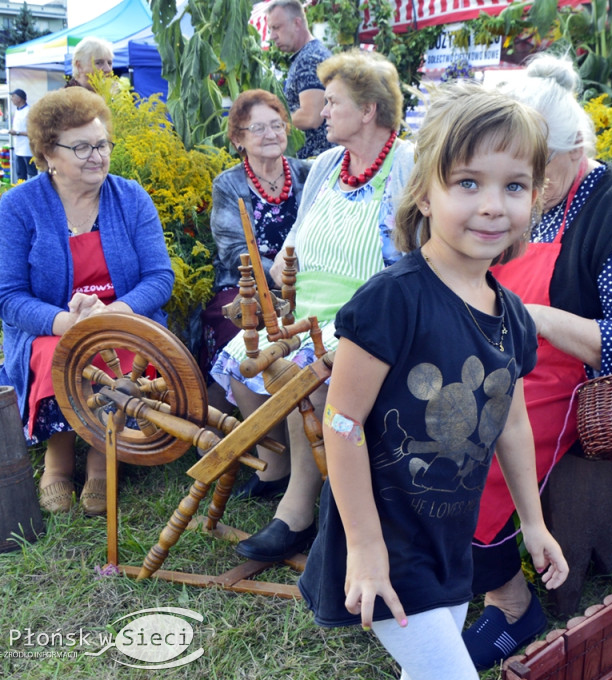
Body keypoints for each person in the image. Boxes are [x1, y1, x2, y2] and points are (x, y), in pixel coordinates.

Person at [298, 79, 569, 680]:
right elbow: (342, 426)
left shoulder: (514, 318)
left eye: (513, 186)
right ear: (424, 195)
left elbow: (513, 425)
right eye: (468, 183)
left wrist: (533, 522)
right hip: (388, 540)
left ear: (535, 198)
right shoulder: (392, 302)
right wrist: (367, 548)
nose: (493, 204)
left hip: (452, 540)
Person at [463, 54, 612, 669]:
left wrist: (542, 319)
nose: (522, 185)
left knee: (469, 441)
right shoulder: (525, 196)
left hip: (568, 383)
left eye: (535, 169)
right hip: (496, 356)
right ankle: (448, 578)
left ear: (575, 144)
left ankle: (509, 602)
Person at [210, 50, 413, 560]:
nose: (322, 112)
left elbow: (414, 256)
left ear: (368, 110)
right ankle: (284, 468)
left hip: (366, 316)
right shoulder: (325, 164)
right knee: (238, 361)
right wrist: (275, 278)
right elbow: (298, 238)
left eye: (334, 103)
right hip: (305, 307)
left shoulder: (406, 164)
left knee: (309, 378)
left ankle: (298, 511)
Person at [0, 87, 174, 515]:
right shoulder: (19, 207)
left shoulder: (131, 199)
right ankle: (57, 461)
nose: (97, 156)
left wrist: (113, 314)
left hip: (122, 319)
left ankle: (103, 458)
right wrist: (64, 323)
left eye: (102, 144)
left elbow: (159, 278)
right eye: (82, 147)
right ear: (48, 154)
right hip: (54, 325)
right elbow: (9, 297)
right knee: (61, 355)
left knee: (125, 353)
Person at [203, 89, 312, 499]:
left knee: (294, 338)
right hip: (245, 283)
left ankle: (289, 456)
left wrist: (299, 280)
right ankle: (274, 464)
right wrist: (280, 276)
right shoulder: (228, 183)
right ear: (238, 138)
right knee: (242, 343)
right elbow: (234, 251)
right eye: (258, 128)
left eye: (276, 124)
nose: (271, 134)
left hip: (304, 282)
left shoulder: (307, 171)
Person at [265, 0, 333, 159]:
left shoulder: (309, 59)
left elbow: (311, 117)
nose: (272, 36)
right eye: (270, 29)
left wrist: (271, 122)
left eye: (276, 27)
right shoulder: (308, 55)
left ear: (297, 23)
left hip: (313, 163)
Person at [9, 89, 37, 181]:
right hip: (18, 148)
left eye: (13, 97)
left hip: (27, 149)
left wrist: (17, 133)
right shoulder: (17, 111)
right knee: (20, 174)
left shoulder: (29, 112)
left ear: (19, 99)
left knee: (31, 173)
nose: (11, 99)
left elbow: (33, 132)